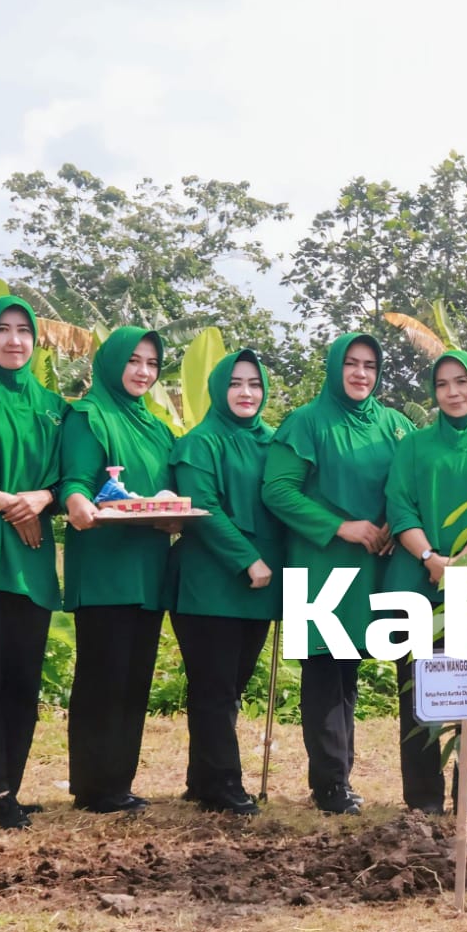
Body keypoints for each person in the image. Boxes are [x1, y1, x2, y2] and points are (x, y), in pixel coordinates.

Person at [261, 333, 407, 815]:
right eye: (351, 363)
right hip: (321, 563)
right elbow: (278, 490)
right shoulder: (307, 421)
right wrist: (342, 527)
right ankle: (329, 785)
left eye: (370, 365)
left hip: (373, 564)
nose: (361, 373)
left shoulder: (394, 425)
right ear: (334, 367)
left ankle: (341, 776)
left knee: (350, 670)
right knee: (325, 671)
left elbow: (407, 486)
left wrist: (396, 523)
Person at [384, 350, 467, 815]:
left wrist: (462, 560)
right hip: (418, 579)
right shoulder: (414, 445)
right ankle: (423, 796)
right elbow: (400, 505)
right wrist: (430, 557)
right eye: (442, 384)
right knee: (418, 686)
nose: (453, 392)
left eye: (461, 381)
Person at [61, 327, 178, 813]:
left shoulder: (157, 428)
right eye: (133, 360)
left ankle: (118, 782)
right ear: (111, 362)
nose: (143, 372)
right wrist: (77, 501)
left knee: (134, 680)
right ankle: (93, 787)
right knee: (103, 678)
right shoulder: (89, 415)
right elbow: (75, 482)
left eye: (151, 363)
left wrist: (172, 511)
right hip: (104, 568)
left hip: (148, 567)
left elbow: (167, 494)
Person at [168, 349, 284, 816]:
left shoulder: (275, 442)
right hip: (210, 583)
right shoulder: (199, 443)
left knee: (231, 687)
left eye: (254, 384)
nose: (245, 392)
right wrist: (248, 559)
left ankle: (202, 779)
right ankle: (223, 785)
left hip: (260, 586)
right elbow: (203, 509)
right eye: (235, 383)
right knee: (213, 687)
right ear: (219, 389)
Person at [0, 296, 65, 828]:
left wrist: (43, 498)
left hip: (30, 560)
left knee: (23, 677)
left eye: (23, 330)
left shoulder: (53, 406)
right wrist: (9, 502)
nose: (13, 340)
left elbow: (71, 476)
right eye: (2, 329)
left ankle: (5, 786)